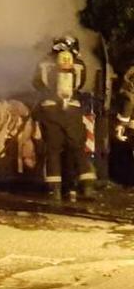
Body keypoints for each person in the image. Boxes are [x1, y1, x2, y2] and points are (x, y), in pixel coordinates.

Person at [33, 36, 96, 201]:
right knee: (77, 149)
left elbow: (36, 83)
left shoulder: (44, 63)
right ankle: (86, 186)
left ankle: (56, 191)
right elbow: (81, 85)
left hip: (50, 110)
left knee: (53, 151)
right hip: (72, 111)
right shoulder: (79, 64)